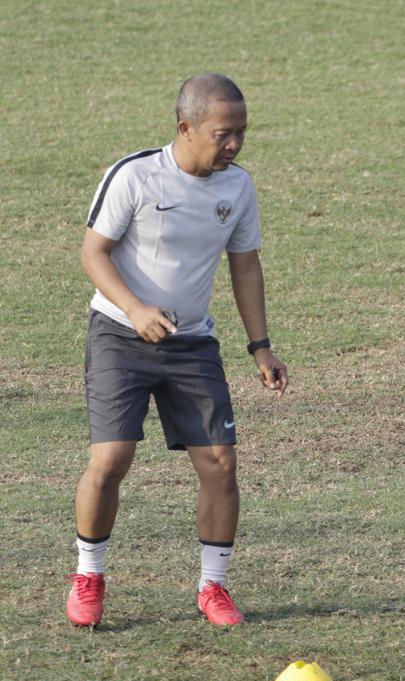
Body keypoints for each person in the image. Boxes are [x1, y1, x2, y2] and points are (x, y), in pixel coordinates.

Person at [67, 73, 287, 627]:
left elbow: (245, 267)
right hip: (120, 334)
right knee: (111, 459)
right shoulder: (135, 175)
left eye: (241, 132)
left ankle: (213, 587)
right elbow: (94, 253)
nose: (234, 144)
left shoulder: (238, 188)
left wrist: (260, 347)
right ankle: (89, 576)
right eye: (223, 134)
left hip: (192, 342)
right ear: (186, 128)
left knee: (221, 464)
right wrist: (136, 310)